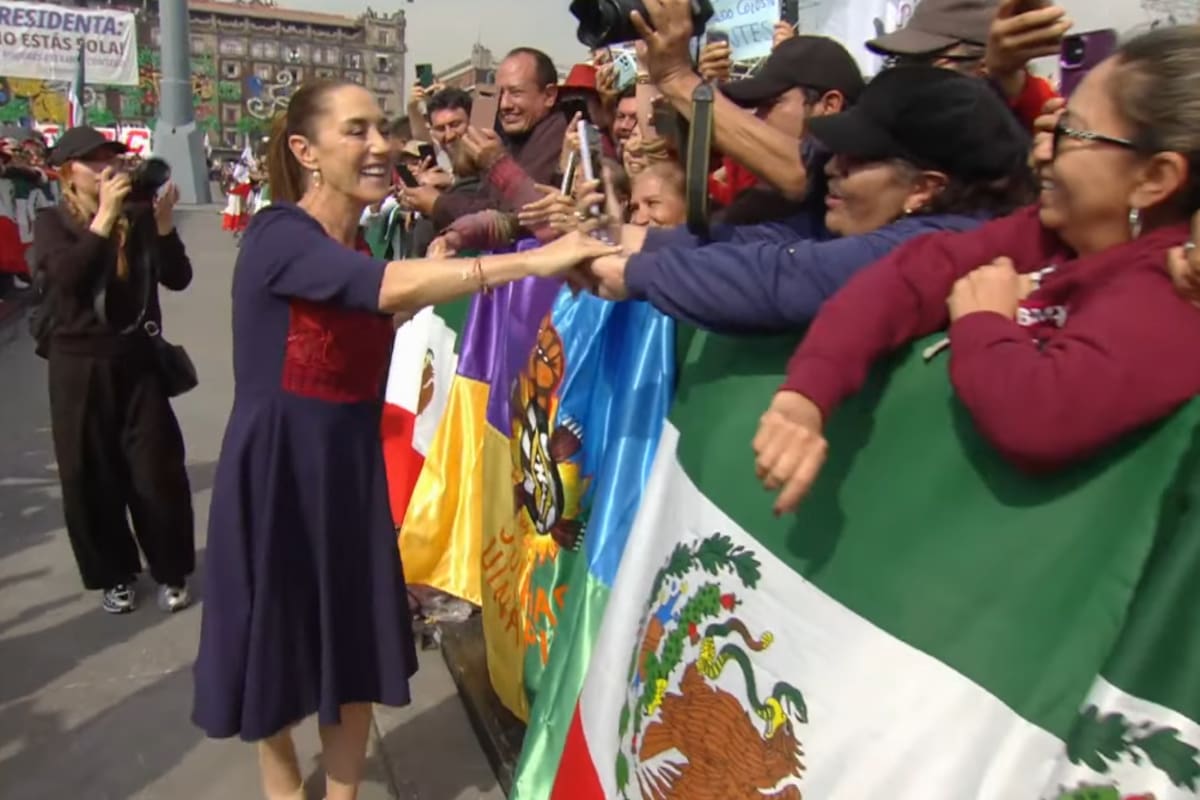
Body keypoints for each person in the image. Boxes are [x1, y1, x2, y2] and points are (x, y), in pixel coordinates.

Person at [191, 79, 616, 800]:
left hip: (350, 466)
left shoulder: (361, 238)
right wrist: (531, 262)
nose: (381, 145)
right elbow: (384, 287)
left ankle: (344, 793)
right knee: (277, 632)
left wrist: (541, 224)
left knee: (353, 635)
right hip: (280, 470)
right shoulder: (278, 235)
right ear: (306, 151)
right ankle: (283, 781)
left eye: (383, 128)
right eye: (356, 130)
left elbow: (430, 259)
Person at [755, 25, 1200, 514]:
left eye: (1071, 133)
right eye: (1050, 127)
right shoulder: (1048, 230)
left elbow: (1042, 419)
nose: (1043, 151)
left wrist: (981, 324)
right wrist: (808, 394)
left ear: (1155, 179)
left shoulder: (1179, 293)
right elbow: (906, 276)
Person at [579, 67, 1034, 334]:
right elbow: (763, 243)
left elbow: (788, 276)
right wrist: (623, 238)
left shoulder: (952, 243)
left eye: (856, 161)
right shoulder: (864, 214)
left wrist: (632, 271)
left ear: (924, 188)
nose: (832, 169)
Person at [33, 126, 195, 614]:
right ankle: (114, 573)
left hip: (137, 362)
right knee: (90, 477)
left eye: (114, 159)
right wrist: (103, 218)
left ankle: (170, 568)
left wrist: (164, 228)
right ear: (67, 173)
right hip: (77, 366)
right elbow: (67, 282)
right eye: (94, 161)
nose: (108, 168)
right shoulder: (53, 222)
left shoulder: (140, 216)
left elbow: (178, 277)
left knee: (157, 473)